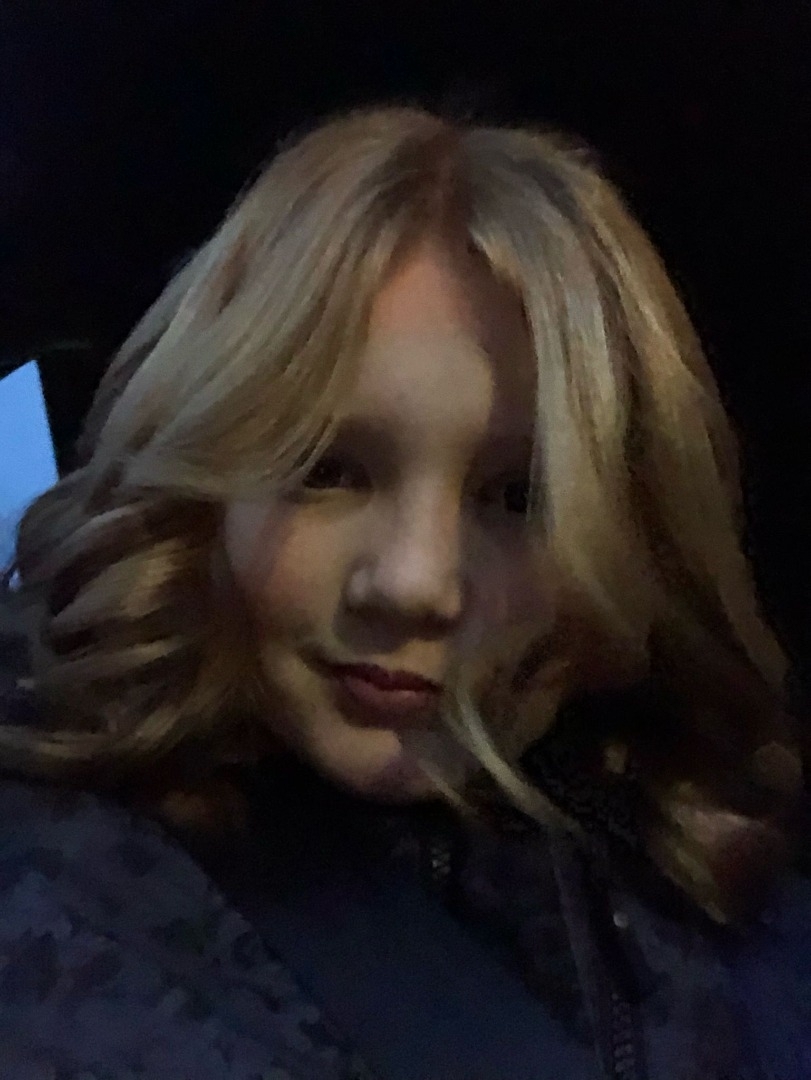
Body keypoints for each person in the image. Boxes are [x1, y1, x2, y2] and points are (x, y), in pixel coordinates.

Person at [0, 103, 808, 1080]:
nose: (415, 583)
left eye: (520, 498)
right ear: (201, 478)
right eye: (327, 469)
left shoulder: (730, 895)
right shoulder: (49, 910)